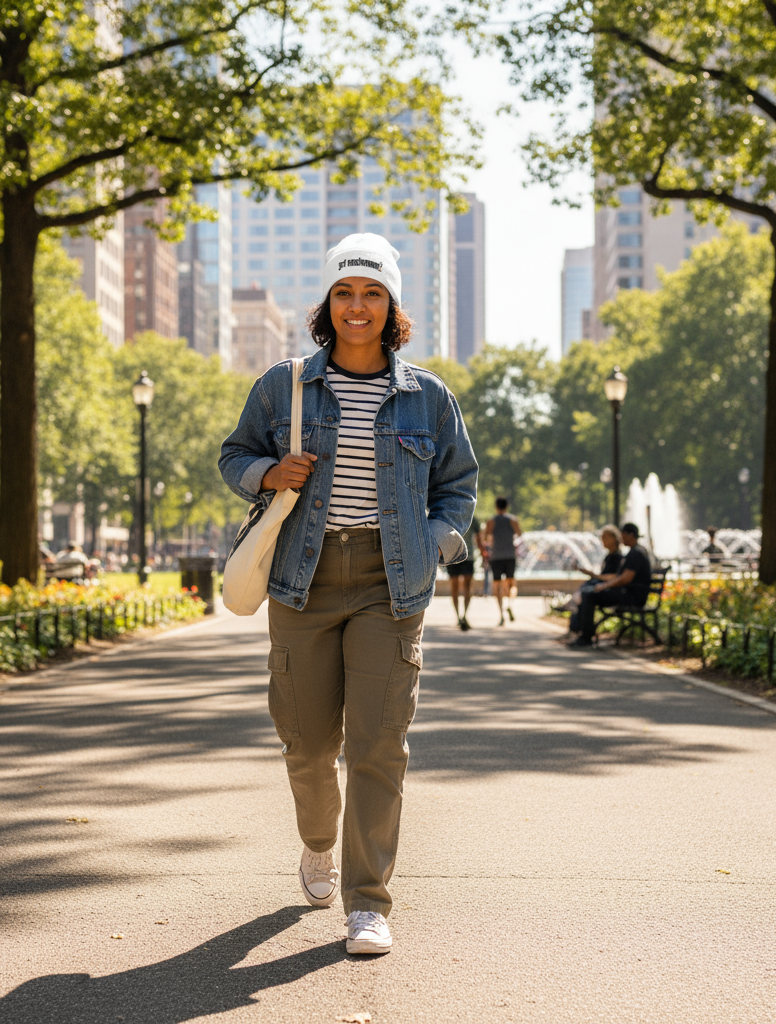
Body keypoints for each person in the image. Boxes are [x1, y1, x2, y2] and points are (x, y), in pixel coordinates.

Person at [219, 232, 477, 956]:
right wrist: (268, 475)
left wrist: (433, 545)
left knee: (377, 745)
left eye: (371, 293)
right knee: (306, 744)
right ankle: (316, 844)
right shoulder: (284, 384)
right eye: (343, 292)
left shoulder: (428, 397)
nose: (356, 307)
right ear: (327, 304)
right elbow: (234, 453)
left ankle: (368, 901)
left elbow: (458, 489)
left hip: (389, 583)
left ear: (391, 305)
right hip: (301, 580)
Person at [569, 522, 651, 648]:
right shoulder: (635, 552)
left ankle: (585, 637)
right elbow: (622, 577)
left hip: (632, 596)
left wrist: (604, 586)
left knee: (590, 595)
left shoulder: (636, 553)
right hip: (629, 593)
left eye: (622, 535)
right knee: (589, 592)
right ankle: (582, 633)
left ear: (630, 535)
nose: (621, 538)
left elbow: (625, 579)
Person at [555, 525, 624, 627]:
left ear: (614, 538)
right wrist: (589, 573)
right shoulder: (609, 556)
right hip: (604, 586)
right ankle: (576, 628)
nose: (602, 541)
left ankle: (582, 631)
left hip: (610, 590)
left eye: (605, 538)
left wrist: (595, 576)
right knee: (585, 593)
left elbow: (615, 577)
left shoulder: (617, 557)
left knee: (586, 595)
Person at [483, 497, 521, 626]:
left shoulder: (491, 521)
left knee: (497, 585)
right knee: (511, 582)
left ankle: (501, 615)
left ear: (496, 507)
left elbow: (486, 537)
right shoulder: (512, 520)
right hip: (510, 555)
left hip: (496, 556)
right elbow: (519, 534)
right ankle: (510, 604)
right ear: (507, 506)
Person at [447, 517, 481, 630]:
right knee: (463, 586)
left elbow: (479, 538)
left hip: (460, 555)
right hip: (460, 555)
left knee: (457, 586)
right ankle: (460, 616)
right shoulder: (471, 516)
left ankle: (462, 616)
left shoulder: (472, 518)